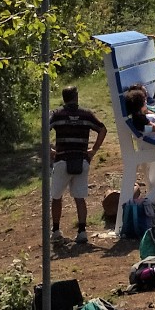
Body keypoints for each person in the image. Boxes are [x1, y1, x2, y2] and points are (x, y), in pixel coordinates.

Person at [49, 86, 107, 245]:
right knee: (80, 198)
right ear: (76, 97)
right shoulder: (86, 114)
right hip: (81, 160)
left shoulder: (57, 115)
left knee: (56, 197)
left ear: (63, 98)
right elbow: (102, 129)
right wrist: (93, 150)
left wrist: (50, 150)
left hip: (62, 160)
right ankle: (82, 232)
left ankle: (56, 231)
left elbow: (44, 131)